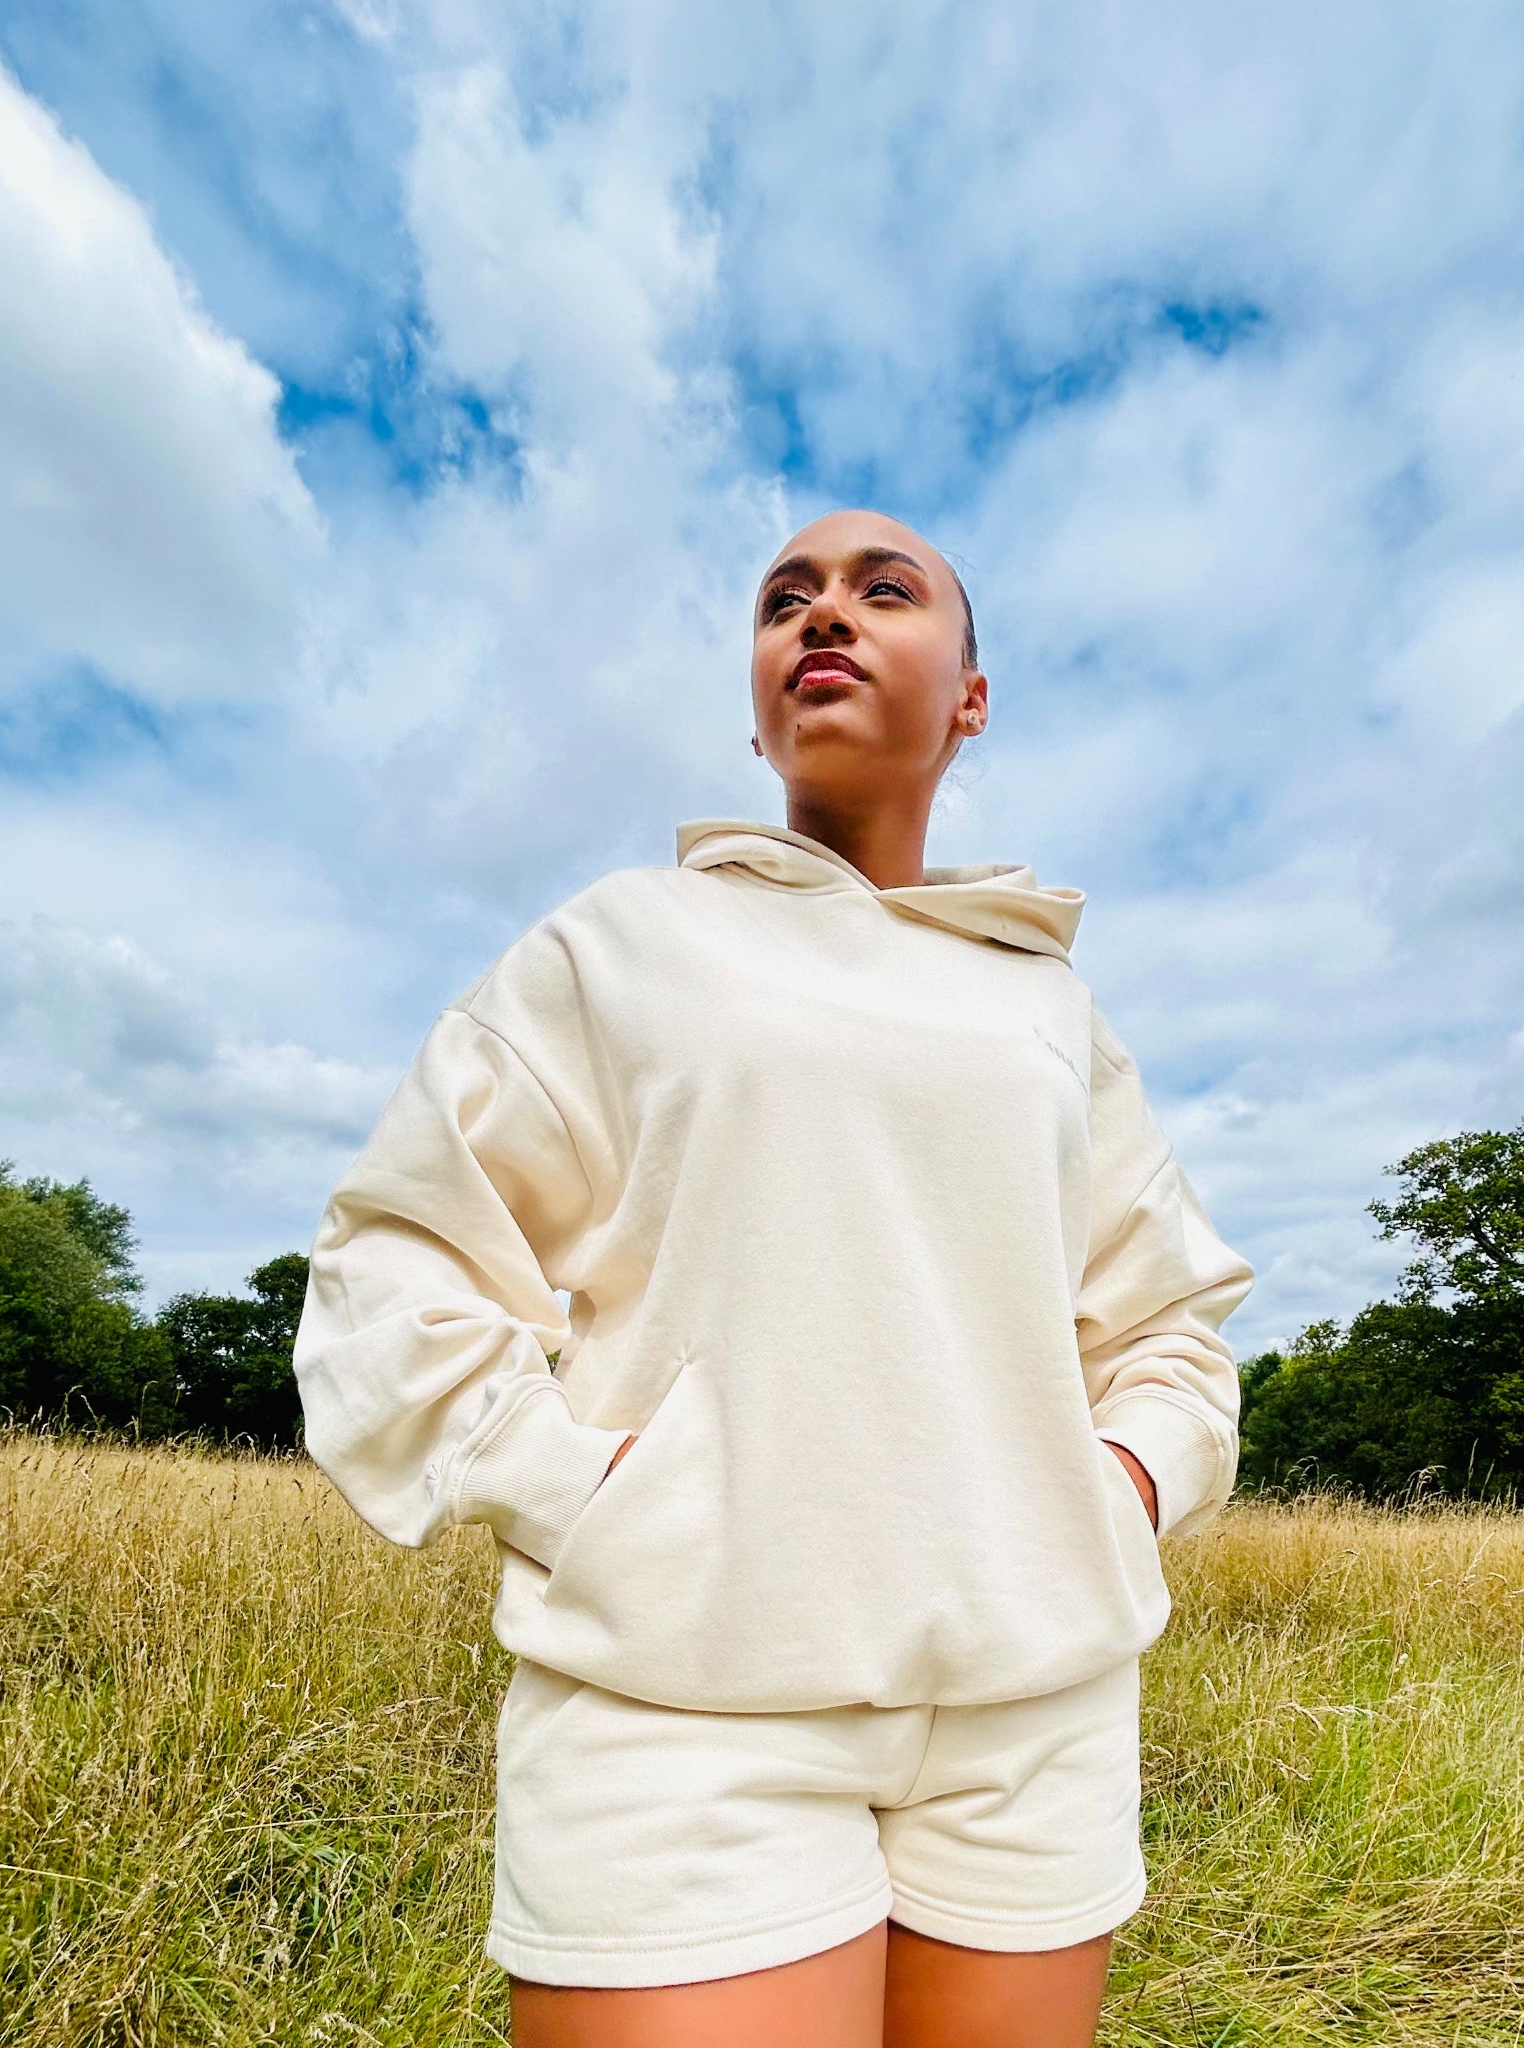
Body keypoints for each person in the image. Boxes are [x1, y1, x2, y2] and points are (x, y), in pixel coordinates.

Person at [293, 508, 1255, 2047]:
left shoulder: (1050, 1008)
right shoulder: (625, 942)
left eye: (887, 591)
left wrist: (1122, 1484)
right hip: (685, 1704)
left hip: (1034, 1711)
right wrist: (589, 1495)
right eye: (785, 600)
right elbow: (398, 1254)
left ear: (970, 699)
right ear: (757, 706)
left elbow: (1166, 1320)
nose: (825, 614)